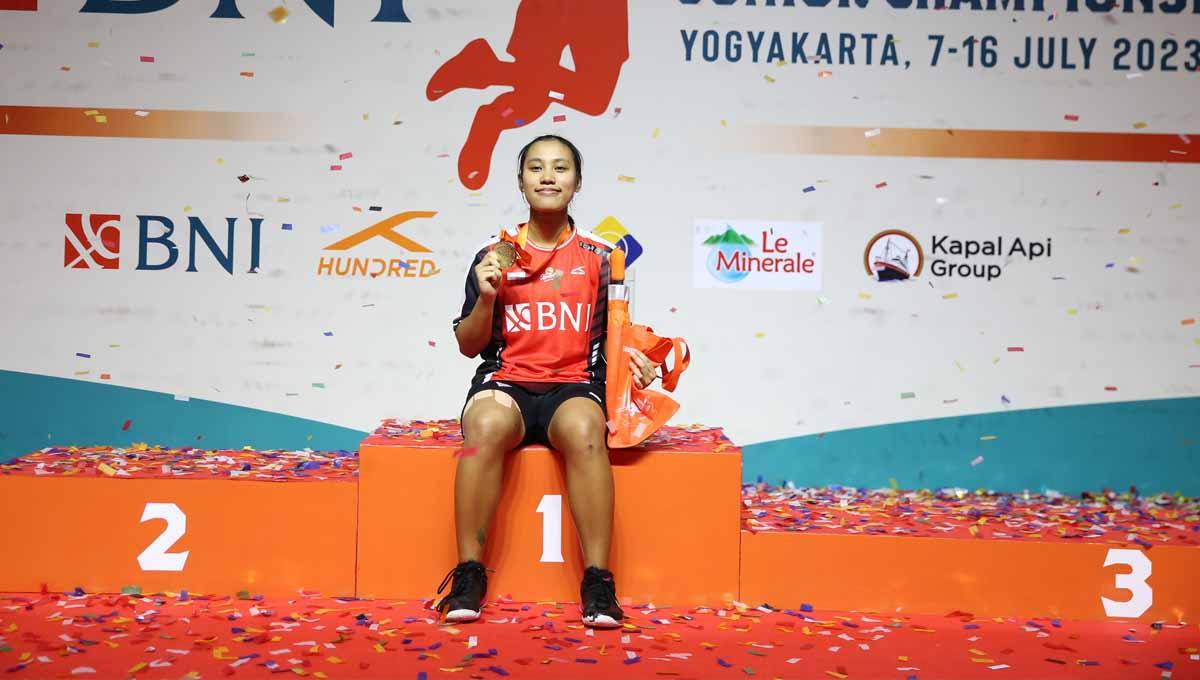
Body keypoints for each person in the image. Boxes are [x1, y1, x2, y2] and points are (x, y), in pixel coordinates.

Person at [436, 134, 658, 629]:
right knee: (485, 427)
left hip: (573, 387)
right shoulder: (493, 253)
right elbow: (468, 344)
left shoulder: (604, 257)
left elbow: (618, 335)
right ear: (521, 182)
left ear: (577, 183)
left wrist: (638, 364)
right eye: (536, 167)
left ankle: (599, 582)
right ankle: (469, 573)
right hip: (506, 384)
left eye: (560, 168)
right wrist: (488, 296)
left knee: (584, 429)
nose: (548, 176)